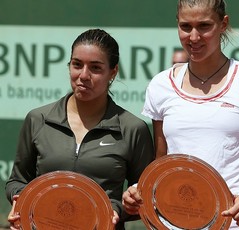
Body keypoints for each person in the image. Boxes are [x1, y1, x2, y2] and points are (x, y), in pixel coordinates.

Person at [122, 0, 239, 229]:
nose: (194, 37)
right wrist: (139, 190)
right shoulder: (161, 85)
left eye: (204, 26)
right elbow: (162, 163)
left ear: (223, 24)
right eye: (186, 27)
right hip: (173, 223)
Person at [5, 28, 155, 230]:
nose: (83, 75)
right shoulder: (37, 119)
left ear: (113, 72)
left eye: (95, 68)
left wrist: (116, 209)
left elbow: (145, 198)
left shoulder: (133, 129)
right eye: (77, 65)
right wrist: (23, 199)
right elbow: (17, 180)